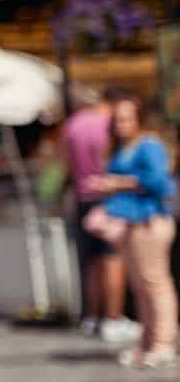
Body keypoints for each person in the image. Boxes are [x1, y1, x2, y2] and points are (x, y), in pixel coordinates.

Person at [100, 94, 176, 369]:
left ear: (138, 120)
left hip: (150, 220)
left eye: (126, 119)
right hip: (129, 221)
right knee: (140, 286)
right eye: (117, 119)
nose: (120, 124)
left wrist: (118, 183)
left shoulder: (149, 145)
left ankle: (164, 341)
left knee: (155, 282)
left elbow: (158, 181)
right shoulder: (122, 148)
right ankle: (147, 341)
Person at [64, 87, 135, 342]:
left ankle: (92, 317)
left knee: (92, 263)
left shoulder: (71, 125)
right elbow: (110, 162)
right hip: (107, 198)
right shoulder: (107, 124)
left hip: (82, 198)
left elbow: (67, 164)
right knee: (113, 261)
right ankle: (113, 318)